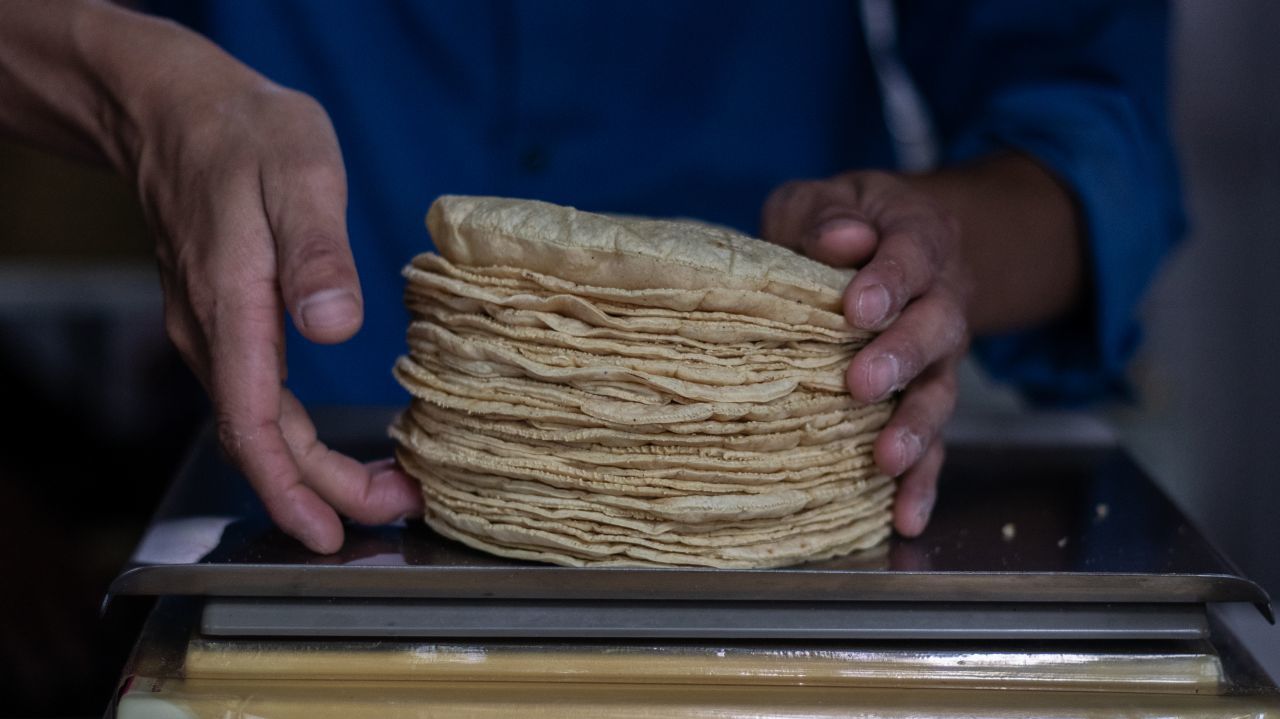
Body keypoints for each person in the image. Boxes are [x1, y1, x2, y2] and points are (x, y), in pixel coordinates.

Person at [0, 1, 1182, 554]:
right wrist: (138, 87)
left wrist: (946, 249)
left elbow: (1091, 130)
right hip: (302, 493)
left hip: (791, 488)